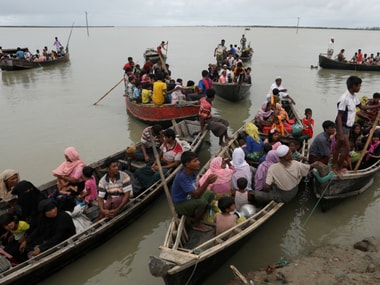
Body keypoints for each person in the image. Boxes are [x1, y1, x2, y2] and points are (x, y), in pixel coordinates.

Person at [333, 76, 380, 174]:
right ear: (353, 86)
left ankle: (334, 165)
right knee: (346, 148)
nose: (360, 88)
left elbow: (362, 107)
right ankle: (337, 169)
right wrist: (340, 133)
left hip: (348, 126)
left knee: (337, 146)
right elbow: (339, 116)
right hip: (343, 125)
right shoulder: (344, 99)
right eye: (359, 86)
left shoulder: (353, 96)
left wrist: (377, 105)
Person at [171, 151, 217, 232]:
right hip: (180, 204)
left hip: (190, 197)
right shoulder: (182, 177)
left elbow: (196, 186)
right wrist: (207, 182)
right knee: (202, 202)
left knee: (210, 193)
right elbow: (196, 195)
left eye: (197, 160)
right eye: (195, 161)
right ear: (187, 164)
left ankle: (197, 214)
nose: (198, 162)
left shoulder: (193, 171)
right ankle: (196, 224)